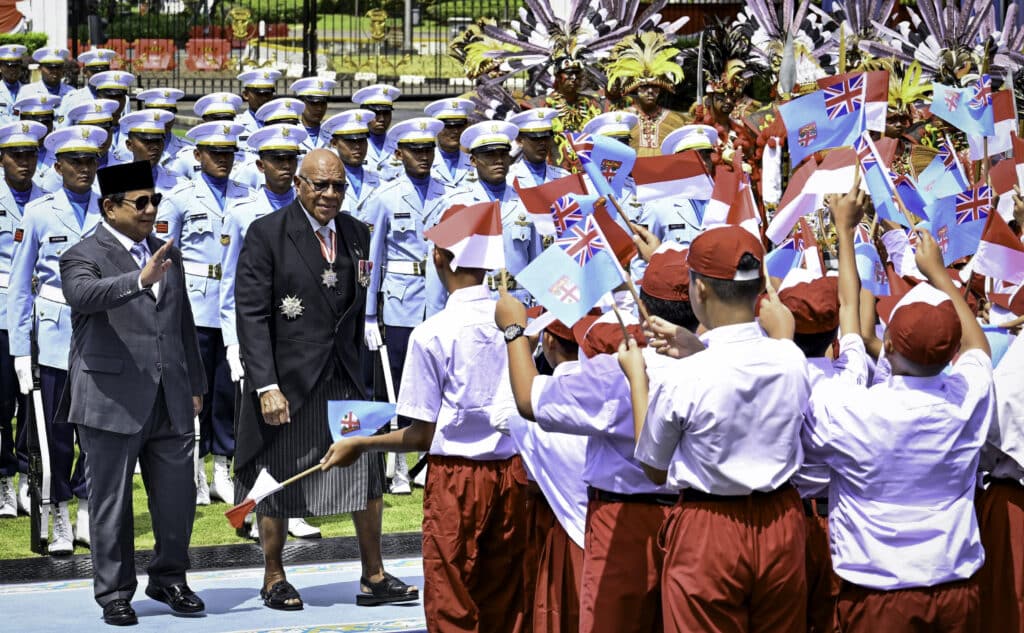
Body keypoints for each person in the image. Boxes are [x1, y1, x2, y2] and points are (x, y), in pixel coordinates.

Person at [321, 203, 528, 632]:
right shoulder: (516, 321)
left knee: (451, 593)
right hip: (511, 473)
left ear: (438, 257)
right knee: (506, 594)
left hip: (456, 477)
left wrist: (360, 442)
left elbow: (420, 435)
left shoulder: (432, 333)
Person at [234, 148, 418, 610]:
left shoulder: (357, 233)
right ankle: (274, 575)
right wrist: (265, 385)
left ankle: (373, 575)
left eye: (338, 186)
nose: (330, 194)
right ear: (299, 184)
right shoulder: (267, 234)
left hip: (348, 376)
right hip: (288, 383)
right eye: (320, 185)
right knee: (276, 475)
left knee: (365, 471)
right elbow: (251, 315)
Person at [622, 224, 811, 633]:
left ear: (700, 290)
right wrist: (700, 352)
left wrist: (639, 380)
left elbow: (654, 469)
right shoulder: (791, 359)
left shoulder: (683, 377)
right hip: (782, 521)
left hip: (710, 528)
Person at [501, 241, 697, 633]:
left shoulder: (613, 374)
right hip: (694, 516)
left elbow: (527, 399)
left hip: (623, 521)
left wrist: (513, 329)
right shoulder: (721, 361)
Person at [805, 222, 994, 630]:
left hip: (879, 599)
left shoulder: (853, 409)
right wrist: (939, 274)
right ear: (950, 352)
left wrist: (843, 230)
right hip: (956, 590)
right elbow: (979, 347)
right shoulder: (967, 399)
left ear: (887, 344)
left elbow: (851, 335)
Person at [56, 160, 207, 626]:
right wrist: (138, 280)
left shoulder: (166, 252)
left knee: (179, 500)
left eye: (154, 201)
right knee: (112, 504)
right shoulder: (83, 253)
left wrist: (196, 385)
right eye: (140, 202)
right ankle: (115, 592)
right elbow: (83, 295)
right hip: (111, 399)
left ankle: (169, 577)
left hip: (171, 396)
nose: (150, 210)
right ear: (110, 206)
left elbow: (183, 325)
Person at [9, 125, 110, 554]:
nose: (84, 169)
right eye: (75, 162)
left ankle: (88, 511)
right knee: (54, 434)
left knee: (96, 430)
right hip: (52, 335)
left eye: (90, 161)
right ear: (58, 166)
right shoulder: (39, 212)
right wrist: (18, 348)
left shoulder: (110, 208)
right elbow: (18, 285)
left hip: (102, 334)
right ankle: (59, 514)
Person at [156, 121, 254, 506]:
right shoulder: (180, 197)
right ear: (197, 156)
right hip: (193, 306)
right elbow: (166, 255)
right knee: (195, 391)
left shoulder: (246, 195)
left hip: (232, 305)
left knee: (229, 390)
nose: (223, 161)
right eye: (214, 153)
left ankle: (222, 467)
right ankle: (195, 466)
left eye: (228, 154)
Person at [0, 121, 48, 517]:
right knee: (1, 404)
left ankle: (29, 477)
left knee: (33, 404)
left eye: (30, 154)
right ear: (2, 158)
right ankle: (2, 479)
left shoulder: (45, 201)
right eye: (16, 155)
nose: (24, 162)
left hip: (39, 313)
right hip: (2, 309)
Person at [446, 120, 540, 307]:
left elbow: (537, 264)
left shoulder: (526, 203)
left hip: (519, 303)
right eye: (489, 155)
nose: (498, 160)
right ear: (473, 160)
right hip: (476, 303)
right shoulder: (458, 204)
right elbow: (445, 266)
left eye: (503, 154)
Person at [605, 32, 686, 158]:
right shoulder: (623, 118)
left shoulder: (674, 120)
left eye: (654, 87)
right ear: (636, 90)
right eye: (644, 87)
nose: (649, 91)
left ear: (660, 90)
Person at [322, 109, 381, 223]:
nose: (357, 146)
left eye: (362, 140)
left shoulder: (380, 181)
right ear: (334, 143)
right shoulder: (325, 183)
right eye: (350, 141)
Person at [232, 99, 305, 189]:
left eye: (293, 124)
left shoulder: (304, 167)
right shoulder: (250, 170)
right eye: (282, 126)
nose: (288, 129)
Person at [114, 110, 183, 195]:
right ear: (129, 145)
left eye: (158, 140)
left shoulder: (179, 183)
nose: (155, 147)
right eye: (147, 141)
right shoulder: (113, 180)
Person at [134, 88, 192, 178]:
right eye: (157, 114)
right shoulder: (129, 148)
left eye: (168, 113)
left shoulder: (189, 150)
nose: (163, 120)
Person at [506, 108, 569, 187]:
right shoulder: (507, 179)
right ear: (519, 140)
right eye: (535, 138)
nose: (543, 143)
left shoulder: (564, 176)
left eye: (546, 137)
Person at [55, 48, 117, 127]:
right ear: (84, 72)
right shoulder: (72, 99)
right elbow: (62, 131)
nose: (99, 75)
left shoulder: (119, 99)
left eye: (103, 71)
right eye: (95, 72)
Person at [352, 83, 401, 179]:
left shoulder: (400, 146)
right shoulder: (351, 146)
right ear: (363, 115)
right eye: (376, 113)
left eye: (386, 113)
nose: (382, 119)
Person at [423, 98, 474, 188]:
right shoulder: (422, 162)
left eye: (459, 125)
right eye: (449, 126)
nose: (455, 131)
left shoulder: (476, 162)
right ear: (436, 129)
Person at [290, 77, 337, 152]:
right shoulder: (290, 135)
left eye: (323, 103)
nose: (319, 108)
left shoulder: (333, 136)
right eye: (313, 104)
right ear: (301, 104)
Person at [235, 69, 281, 138]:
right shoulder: (236, 125)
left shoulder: (282, 124)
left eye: (268, 93)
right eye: (259, 94)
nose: (264, 98)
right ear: (246, 95)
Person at [0, 44, 26, 123]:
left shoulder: (29, 92)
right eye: (9, 66)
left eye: (17, 66)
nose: (13, 69)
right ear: (0, 68)